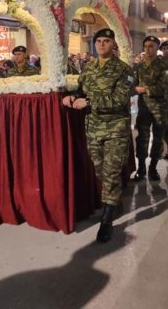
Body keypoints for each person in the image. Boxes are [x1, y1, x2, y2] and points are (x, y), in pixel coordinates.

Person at [63, 28, 133, 243]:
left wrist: (89, 102)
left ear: (113, 45)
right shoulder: (89, 68)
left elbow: (121, 99)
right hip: (93, 128)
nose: (102, 44)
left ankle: (106, 219)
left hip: (116, 129)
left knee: (111, 172)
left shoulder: (124, 70)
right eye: (99, 41)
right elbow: (82, 90)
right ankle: (113, 201)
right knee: (100, 170)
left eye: (106, 41)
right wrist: (72, 97)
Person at [134, 35, 168, 181]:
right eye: (146, 46)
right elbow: (133, 84)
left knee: (158, 139)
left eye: (151, 46)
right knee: (142, 138)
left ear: (157, 48)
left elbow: (164, 86)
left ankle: (153, 168)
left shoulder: (164, 65)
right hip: (144, 107)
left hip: (160, 108)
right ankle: (141, 168)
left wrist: (144, 89)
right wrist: (133, 88)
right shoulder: (139, 66)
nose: (148, 49)